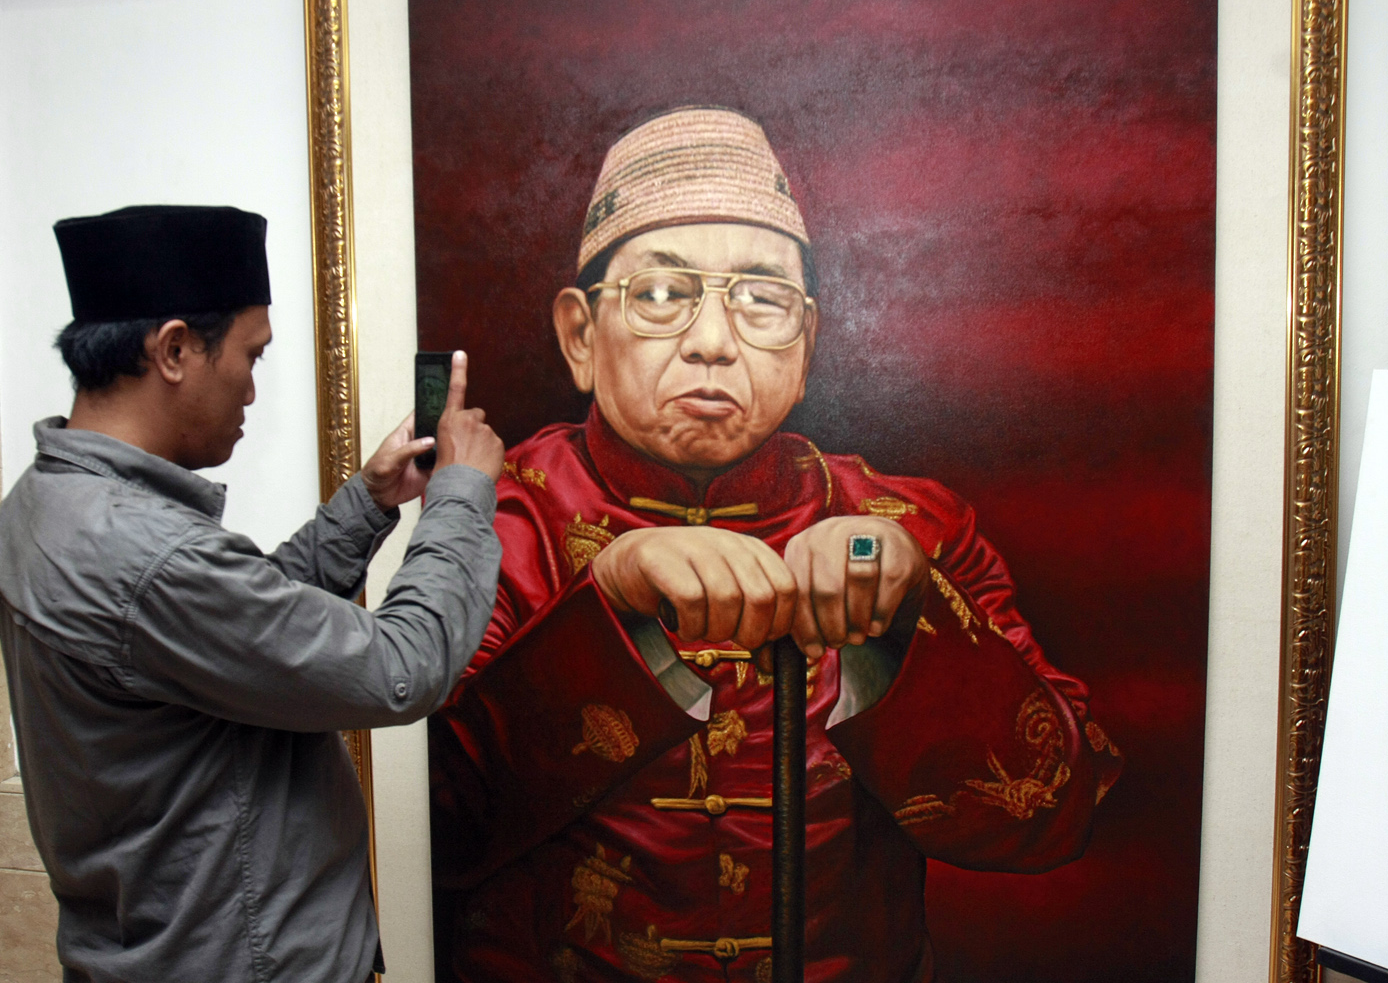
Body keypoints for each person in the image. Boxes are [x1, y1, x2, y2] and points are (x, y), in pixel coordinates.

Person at [427, 108, 1125, 983]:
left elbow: (1055, 818)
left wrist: (910, 624)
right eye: (660, 295)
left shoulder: (914, 526)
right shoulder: (497, 521)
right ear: (580, 336)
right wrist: (610, 603)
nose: (713, 344)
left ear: (807, 346)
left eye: (762, 300)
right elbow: (427, 829)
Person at [0, 205, 505, 983]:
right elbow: (403, 667)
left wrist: (368, 502)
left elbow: (245, 632)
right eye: (251, 356)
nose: (253, 391)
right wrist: (461, 492)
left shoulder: (44, 503)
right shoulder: (148, 556)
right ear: (174, 350)